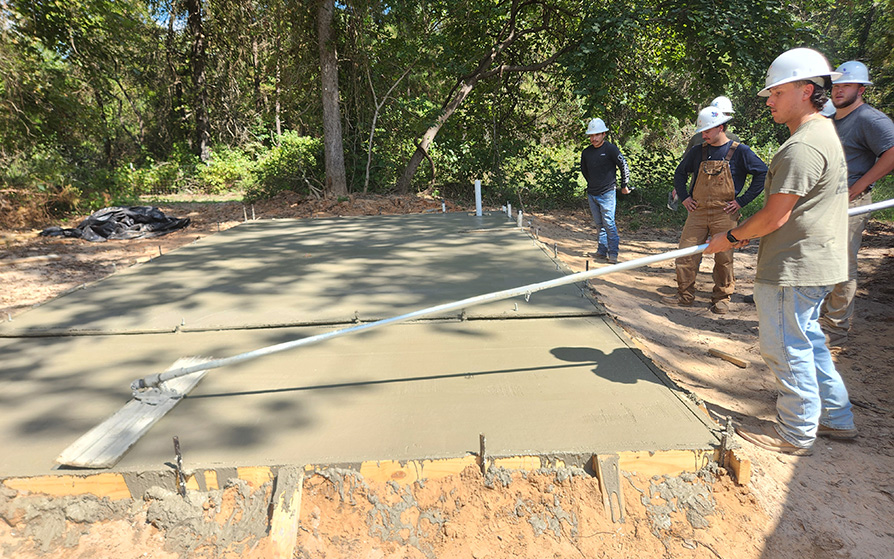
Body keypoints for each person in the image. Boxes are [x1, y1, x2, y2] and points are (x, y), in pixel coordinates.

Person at [705, 47, 855, 455]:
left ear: (806, 90)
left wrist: (730, 238)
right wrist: (747, 233)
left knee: (786, 347)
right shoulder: (823, 134)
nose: (769, 101)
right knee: (808, 341)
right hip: (815, 261)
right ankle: (836, 417)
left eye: (776, 92)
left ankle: (795, 432)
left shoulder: (802, 146)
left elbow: (775, 216)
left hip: (794, 266)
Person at [661, 107, 767, 314]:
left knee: (724, 258)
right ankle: (684, 295)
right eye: (702, 131)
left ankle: (722, 298)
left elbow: (762, 173)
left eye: (707, 131)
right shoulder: (697, 151)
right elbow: (680, 173)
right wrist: (685, 197)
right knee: (686, 253)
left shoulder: (740, 151)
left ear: (720, 127)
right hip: (698, 211)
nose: (704, 135)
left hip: (725, 212)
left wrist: (741, 201)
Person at [818, 61, 894, 347]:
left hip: (850, 203)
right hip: (825, 201)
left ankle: (835, 328)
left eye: (846, 85)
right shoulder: (830, 118)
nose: (839, 91)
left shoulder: (870, 119)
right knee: (821, 259)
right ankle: (820, 319)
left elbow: (891, 153)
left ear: (861, 89)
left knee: (842, 264)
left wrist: (858, 186)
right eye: (836, 85)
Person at [667, 96, 741, 211]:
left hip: (724, 200)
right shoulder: (698, 138)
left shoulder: (733, 140)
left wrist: (739, 200)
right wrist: (680, 190)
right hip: (698, 197)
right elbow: (684, 167)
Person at [580, 117, 630, 264]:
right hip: (592, 193)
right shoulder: (586, 152)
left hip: (607, 193)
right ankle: (602, 250)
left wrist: (624, 185)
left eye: (597, 135)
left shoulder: (611, 149)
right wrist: (592, 184)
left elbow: (623, 165)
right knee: (599, 224)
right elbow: (584, 171)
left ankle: (613, 253)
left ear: (603, 134)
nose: (594, 138)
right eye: (591, 135)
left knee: (609, 223)